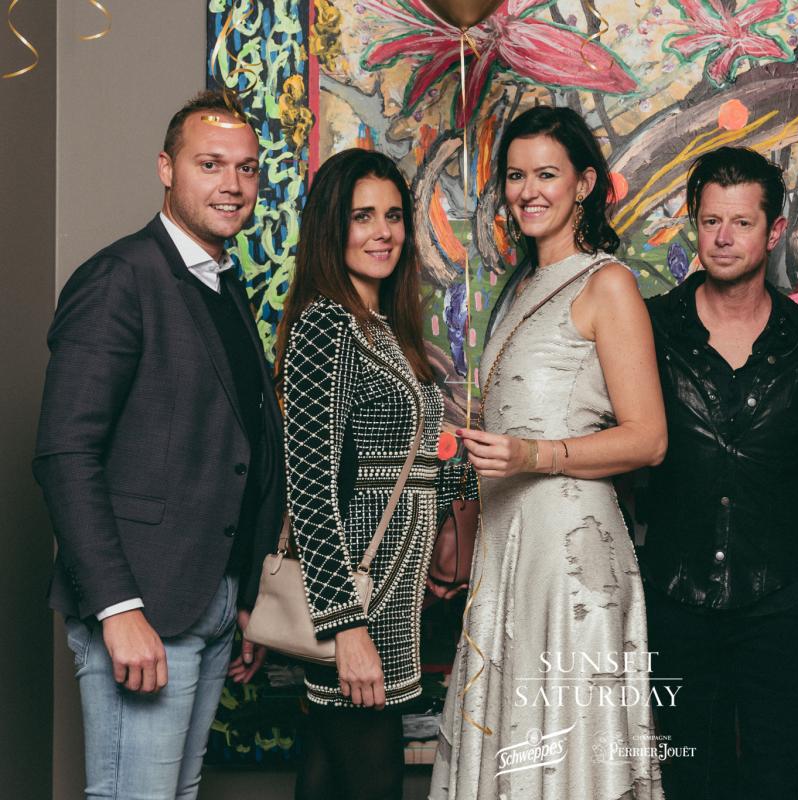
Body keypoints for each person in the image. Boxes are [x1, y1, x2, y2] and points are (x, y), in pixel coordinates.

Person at [33, 90, 284, 799]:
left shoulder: (221, 283)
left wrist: (244, 596)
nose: (232, 184)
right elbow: (65, 453)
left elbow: (237, 445)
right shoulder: (121, 278)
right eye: (210, 164)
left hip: (211, 599)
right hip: (143, 599)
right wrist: (117, 608)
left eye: (246, 168)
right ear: (166, 169)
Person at [429, 105, 667, 800]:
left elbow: (649, 438)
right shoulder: (520, 287)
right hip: (509, 549)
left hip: (570, 558)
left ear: (584, 184)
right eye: (515, 176)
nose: (527, 191)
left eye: (546, 175)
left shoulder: (607, 284)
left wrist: (532, 455)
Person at [640, 146, 798, 800]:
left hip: (779, 602)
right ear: (694, 225)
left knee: (772, 781)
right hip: (675, 599)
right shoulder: (650, 329)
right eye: (710, 221)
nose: (723, 237)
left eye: (741, 222)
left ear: (775, 231)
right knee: (688, 781)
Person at [277, 147, 477, 800]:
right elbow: (309, 487)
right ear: (332, 228)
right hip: (357, 604)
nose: (383, 231)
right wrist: (346, 628)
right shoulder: (325, 326)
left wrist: (467, 482)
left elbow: (409, 464)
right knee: (374, 782)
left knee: (328, 780)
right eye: (363, 216)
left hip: (393, 602)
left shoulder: (383, 327)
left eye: (393, 215)